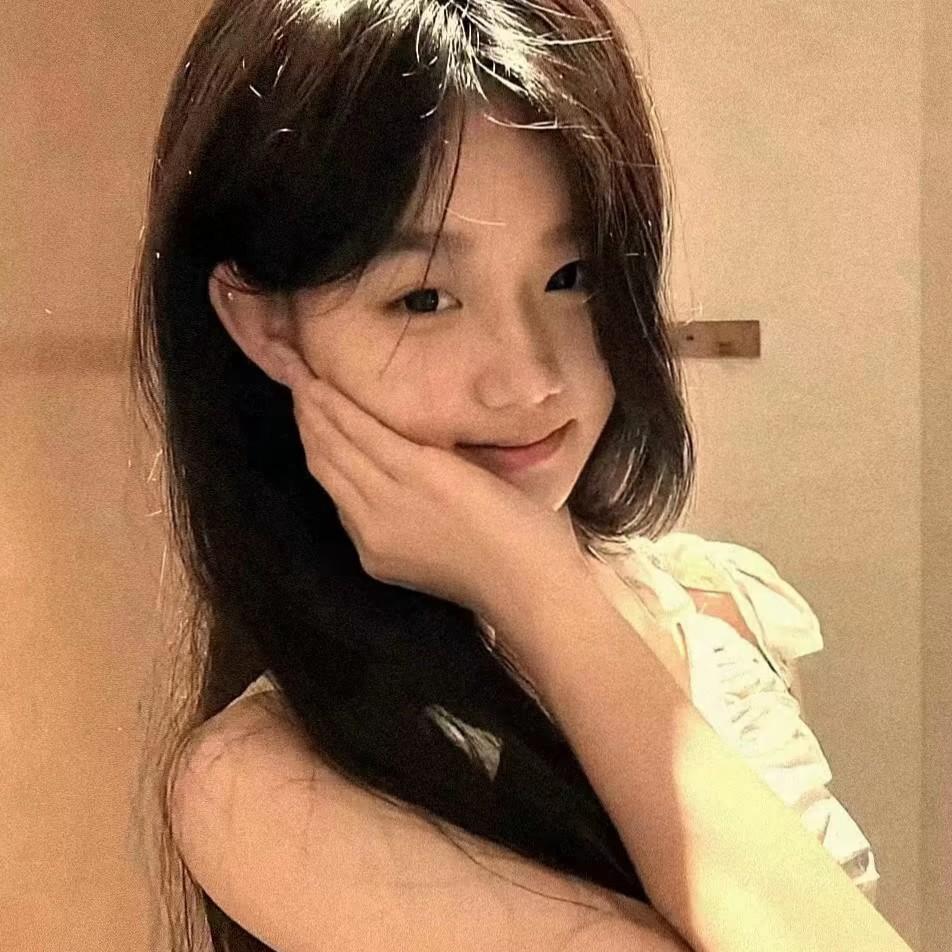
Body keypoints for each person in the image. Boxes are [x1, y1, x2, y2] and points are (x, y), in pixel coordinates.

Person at [130, 1, 906, 950]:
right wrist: (536, 585)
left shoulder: (710, 604)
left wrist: (545, 587)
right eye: (425, 297)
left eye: (572, 277)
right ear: (267, 324)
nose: (534, 378)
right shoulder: (264, 783)